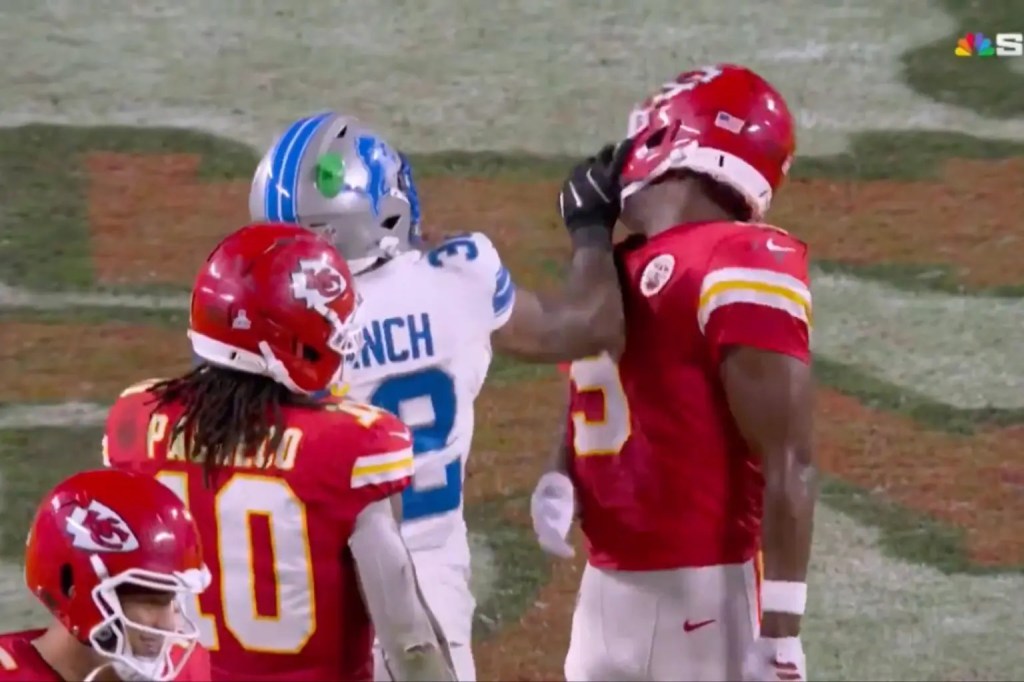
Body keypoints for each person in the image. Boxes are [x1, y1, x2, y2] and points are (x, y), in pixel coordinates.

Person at [248, 114, 630, 681]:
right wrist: (590, 230)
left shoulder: (279, 322)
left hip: (308, 588)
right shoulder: (458, 276)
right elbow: (580, 326)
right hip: (428, 581)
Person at [529, 63, 816, 682]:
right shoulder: (617, 267)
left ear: (670, 139)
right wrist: (560, 470)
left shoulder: (737, 255)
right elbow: (599, 386)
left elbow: (789, 458)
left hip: (703, 598)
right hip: (604, 588)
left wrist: (782, 633)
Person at [102, 223, 455, 681]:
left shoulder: (139, 421)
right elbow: (410, 643)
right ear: (292, 342)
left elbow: (112, 615)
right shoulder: (349, 448)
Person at [0, 468, 211, 681]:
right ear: (75, 592)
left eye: (171, 601)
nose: (167, 625)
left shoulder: (183, 664)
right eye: (150, 601)